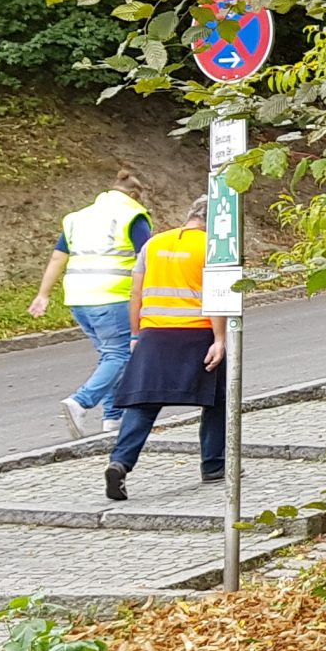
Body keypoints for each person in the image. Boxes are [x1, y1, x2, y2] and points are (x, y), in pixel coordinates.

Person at [104, 196, 224, 501]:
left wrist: (135, 334)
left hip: (154, 335)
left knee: (143, 404)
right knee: (216, 400)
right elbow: (217, 295)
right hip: (198, 334)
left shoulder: (153, 244)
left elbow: (136, 292)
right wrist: (220, 339)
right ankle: (213, 465)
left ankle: (120, 463)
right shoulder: (213, 247)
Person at [30, 170, 154, 439]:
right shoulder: (132, 215)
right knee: (120, 355)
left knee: (110, 356)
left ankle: (113, 418)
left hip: (78, 298)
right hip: (113, 296)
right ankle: (81, 402)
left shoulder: (78, 217)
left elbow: (56, 259)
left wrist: (43, 294)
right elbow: (148, 259)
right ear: (135, 195)